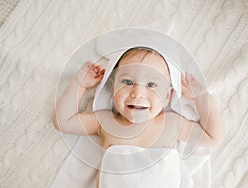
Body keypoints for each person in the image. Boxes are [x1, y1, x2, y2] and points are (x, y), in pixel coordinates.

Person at [53, 47, 223, 150]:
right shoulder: (105, 122)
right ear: (112, 88)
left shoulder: (172, 123)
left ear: (167, 96)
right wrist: (79, 84)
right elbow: (63, 122)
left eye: (151, 85)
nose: (137, 93)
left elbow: (213, 137)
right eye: (127, 82)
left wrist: (201, 97)